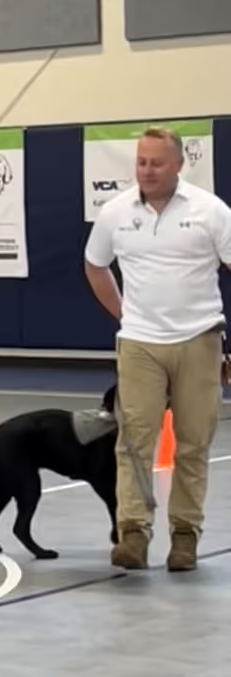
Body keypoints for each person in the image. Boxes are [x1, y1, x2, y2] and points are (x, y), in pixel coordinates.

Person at [84, 127, 231, 572]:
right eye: (141, 162)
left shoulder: (211, 211)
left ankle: (184, 537)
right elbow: (95, 265)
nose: (147, 170)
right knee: (133, 443)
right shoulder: (114, 213)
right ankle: (133, 533)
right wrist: (125, 316)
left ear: (179, 165)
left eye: (157, 162)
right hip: (140, 344)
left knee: (193, 442)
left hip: (200, 340)